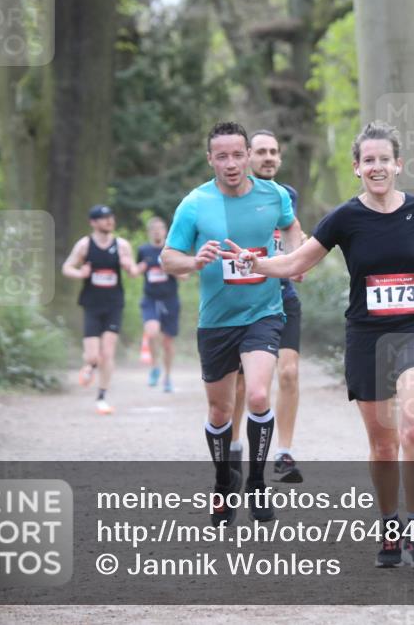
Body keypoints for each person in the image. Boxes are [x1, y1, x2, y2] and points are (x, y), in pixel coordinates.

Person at [229, 121, 414, 569]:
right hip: (367, 337)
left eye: (384, 159)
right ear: (357, 167)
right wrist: (257, 262)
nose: (376, 167)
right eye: (368, 160)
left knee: (413, 426)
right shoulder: (344, 218)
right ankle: (389, 525)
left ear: (398, 164)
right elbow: (297, 260)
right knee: (384, 444)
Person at [161, 121, 302, 525]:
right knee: (220, 411)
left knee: (258, 396)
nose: (231, 163)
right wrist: (194, 260)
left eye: (238, 154)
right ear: (210, 160)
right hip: (217, 321)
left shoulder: (272, 195)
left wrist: (296, 259)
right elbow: (168, 258)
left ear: (247, 155)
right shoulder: (195, 203)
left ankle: (256, 481)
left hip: (264, 312)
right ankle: (224, 482)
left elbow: (291, 226)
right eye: (221, 156)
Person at [232, 130, 306, 484]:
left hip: (283, 297)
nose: (269, 158)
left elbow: (296, 236)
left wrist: (298, 260)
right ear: (247, 156)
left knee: (289, 373)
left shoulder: (286, 196)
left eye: (274, 152)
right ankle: (232, 446)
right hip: (244, 302)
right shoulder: (231, 196)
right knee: (241, 385)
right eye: (261, 151)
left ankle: (284, 453)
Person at [61, 204, 140, 415]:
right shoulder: (84, 245)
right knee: (93, 356)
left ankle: (102, 396)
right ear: (93, 222)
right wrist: (81, 274)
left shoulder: (122, 245)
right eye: (104, 218)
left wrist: (128, 266)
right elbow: (67, 268)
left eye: (110, 217)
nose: (109, 221)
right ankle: (89, 366)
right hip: (91, 304)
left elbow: (133, 272)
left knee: (108, 351)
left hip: (114, 303)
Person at [135, 216, 185, 393]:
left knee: (167, 342)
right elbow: (136, 270)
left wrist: (170, 269)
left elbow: (184, 276)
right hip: (150, 299)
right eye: (153, 228)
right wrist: (134, 268)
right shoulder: (144, 250)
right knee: (152, 332)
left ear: (165, 231)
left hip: (170, 300)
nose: (157, 231)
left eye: (160, 228)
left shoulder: (172, 250)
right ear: (149, 232)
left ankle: (167, 377)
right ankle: (155, 367)